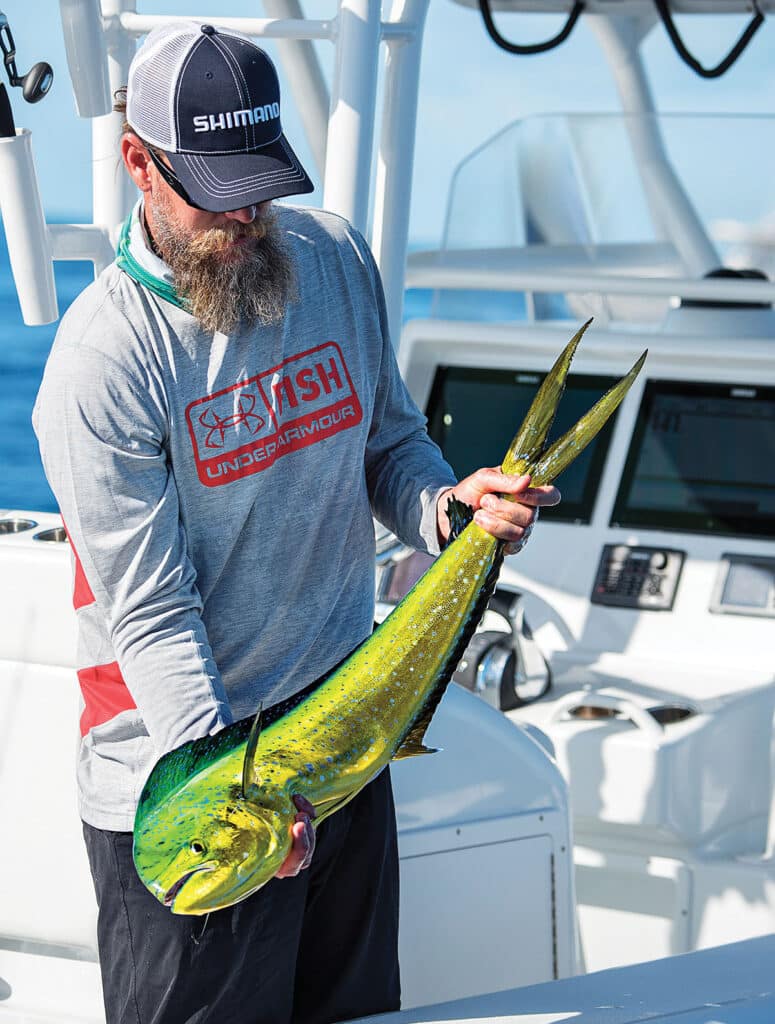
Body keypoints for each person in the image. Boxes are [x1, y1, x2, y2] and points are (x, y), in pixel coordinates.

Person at [33, 21, 560, 1024]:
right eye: (219, 197)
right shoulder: (103, 361)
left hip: (342, 750)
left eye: (261, 190)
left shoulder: (330, 258)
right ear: (138, 162)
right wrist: (246, 803)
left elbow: (390, 446)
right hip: (194, 801)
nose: (247, 222)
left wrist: (451, 513)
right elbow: (151, 616)